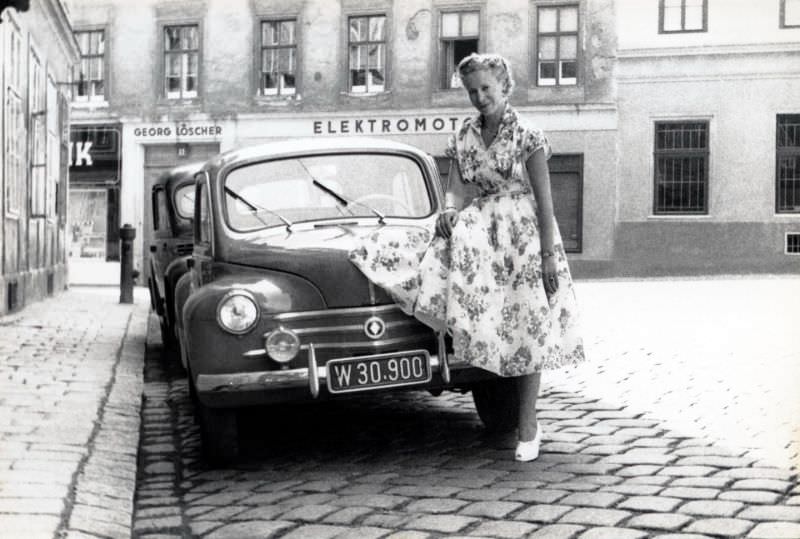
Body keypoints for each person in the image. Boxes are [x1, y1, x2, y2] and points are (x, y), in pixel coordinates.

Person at [350, 52, 585, 461]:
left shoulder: (527, 135)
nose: (480, 98)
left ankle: (527, 423)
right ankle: (472, 372)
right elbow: (457, 187)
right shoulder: (464, 135)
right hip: (482, 229)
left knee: (528, 324)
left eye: (487, 89)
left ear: (505, 88)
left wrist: (548, 256)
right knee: (435, 260)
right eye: (472, 91)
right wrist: (448, 208)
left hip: (524, 236)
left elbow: (545, 205)